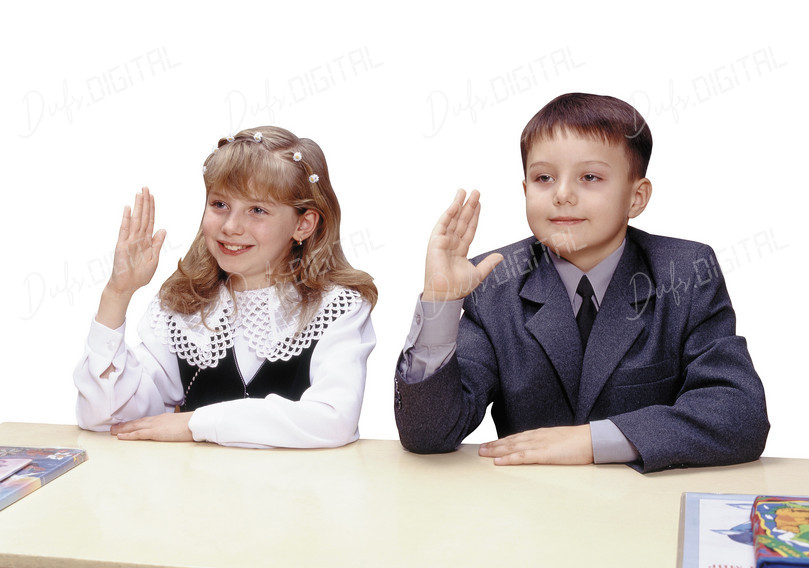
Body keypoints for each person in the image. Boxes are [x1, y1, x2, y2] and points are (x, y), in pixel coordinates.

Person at [394, 93, 769, 473]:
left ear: (636, 198)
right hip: (525, 510)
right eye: (544, 178)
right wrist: (440, 303)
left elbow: (740, 415)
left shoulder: (685, 272)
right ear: (525, 190)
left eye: (590, 177)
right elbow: (428, 434)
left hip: (646, 508)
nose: (562, 195)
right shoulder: (493, 283)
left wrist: (594, 440)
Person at [75, 126, 377, 448]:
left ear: (303, 224)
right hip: (198, 495)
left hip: (298, 496)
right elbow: (106, 417)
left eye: (257, 210)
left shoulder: (337, 307)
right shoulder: (185, 307)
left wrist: (195, 423)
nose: (231, 227)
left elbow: (333, 421)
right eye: (220, 204)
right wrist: (117, 294)